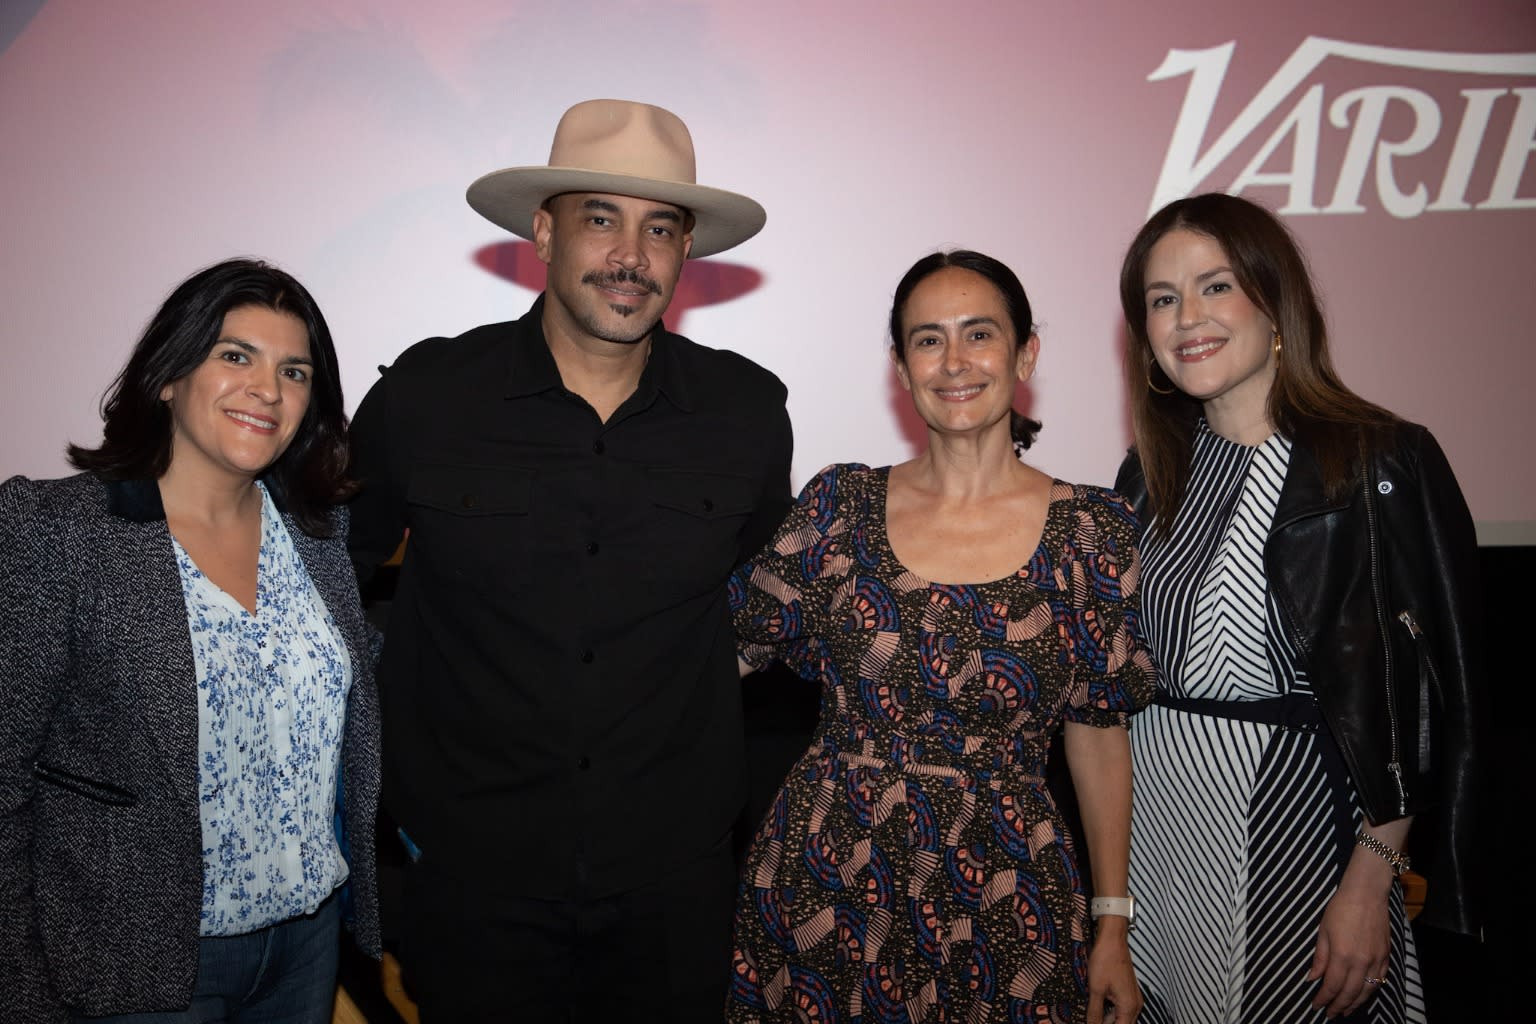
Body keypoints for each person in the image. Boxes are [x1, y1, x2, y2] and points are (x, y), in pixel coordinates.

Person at [346, 99, 792, 1019]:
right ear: (543, 234)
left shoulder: (746, 413)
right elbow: (321, 595)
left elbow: (769, 620)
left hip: (674, 889)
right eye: (600, 220)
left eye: (659, 228)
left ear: (685, 251)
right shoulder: (427, 397)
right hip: (472, 881)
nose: (630, 255)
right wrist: (389, 816)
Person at [727, 250, 1153, 1023]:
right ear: (901, 366)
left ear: (1026, 353)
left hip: (1007, 894)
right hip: (828, 881)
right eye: (928, 339)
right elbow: (722, 654)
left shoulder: (1091, 531)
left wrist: (1113, 924)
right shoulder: (838, 508)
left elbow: (1099, 735)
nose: (954, 361)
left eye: (978, 334)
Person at [1114, 193, 1484, 1023]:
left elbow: (1430, 702)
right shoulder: (1147, 473)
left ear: (1275, 302)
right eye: (1163, 299)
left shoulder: (1380, 459)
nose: (1187, 318)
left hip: (1302, 830)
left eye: (1215, 286)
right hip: (1158, 835)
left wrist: (1373, 880)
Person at [0, 258, 381, 1023]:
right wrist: (22, 992)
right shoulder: (60, 532)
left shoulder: (317, 538)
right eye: (236, 356)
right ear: (169, 376)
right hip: (131, 962)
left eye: (295, 372)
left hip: (306, 947)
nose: (267, 390)